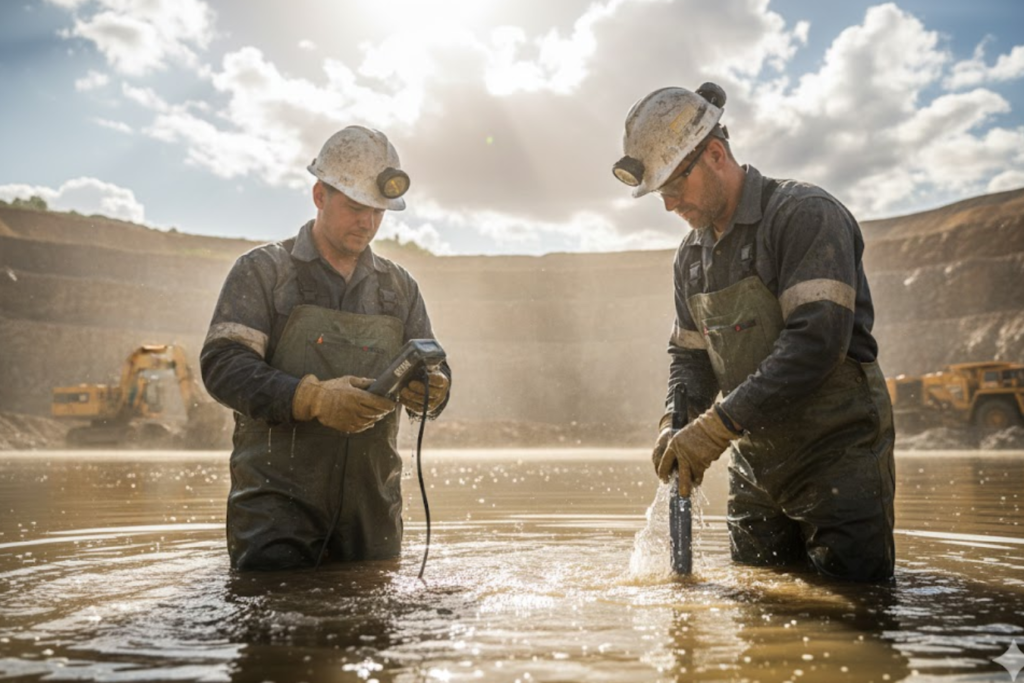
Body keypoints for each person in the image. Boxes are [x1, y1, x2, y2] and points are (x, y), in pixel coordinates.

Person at [612, 83, 895, 582]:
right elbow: (691, 359)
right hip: (755, 466)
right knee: (758, 613)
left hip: (837, 454)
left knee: (858, 610)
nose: (669, 204)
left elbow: (816, 344)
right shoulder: (690, 258)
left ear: (715, 154)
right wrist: (675, 423)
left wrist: (716, 428)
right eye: (660, 193)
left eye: (674, 187)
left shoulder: (804, 215)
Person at [201, 125, 452, 571]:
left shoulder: (398, 287)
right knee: (274, 624)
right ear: (320, 195)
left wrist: (431, 390)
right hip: (276, 509)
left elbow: (437, 370)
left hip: (372, 510)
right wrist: (312, 398)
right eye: (356, 207)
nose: (368, 222)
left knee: (375, 630)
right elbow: (223, 366)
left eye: (378, 212)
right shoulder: (263, 272)